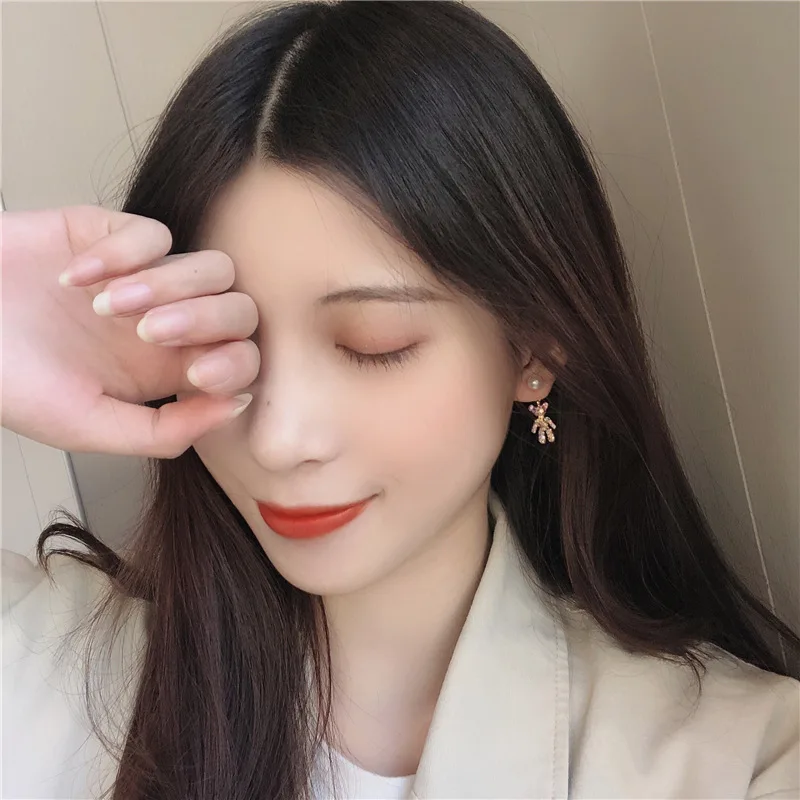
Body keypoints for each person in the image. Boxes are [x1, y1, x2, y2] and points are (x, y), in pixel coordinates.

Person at [2, 2, 798, 798]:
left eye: (373, 343)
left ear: (533, 349)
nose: (279, 439)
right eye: (221, 350)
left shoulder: (738, 761)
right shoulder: (39, 667)